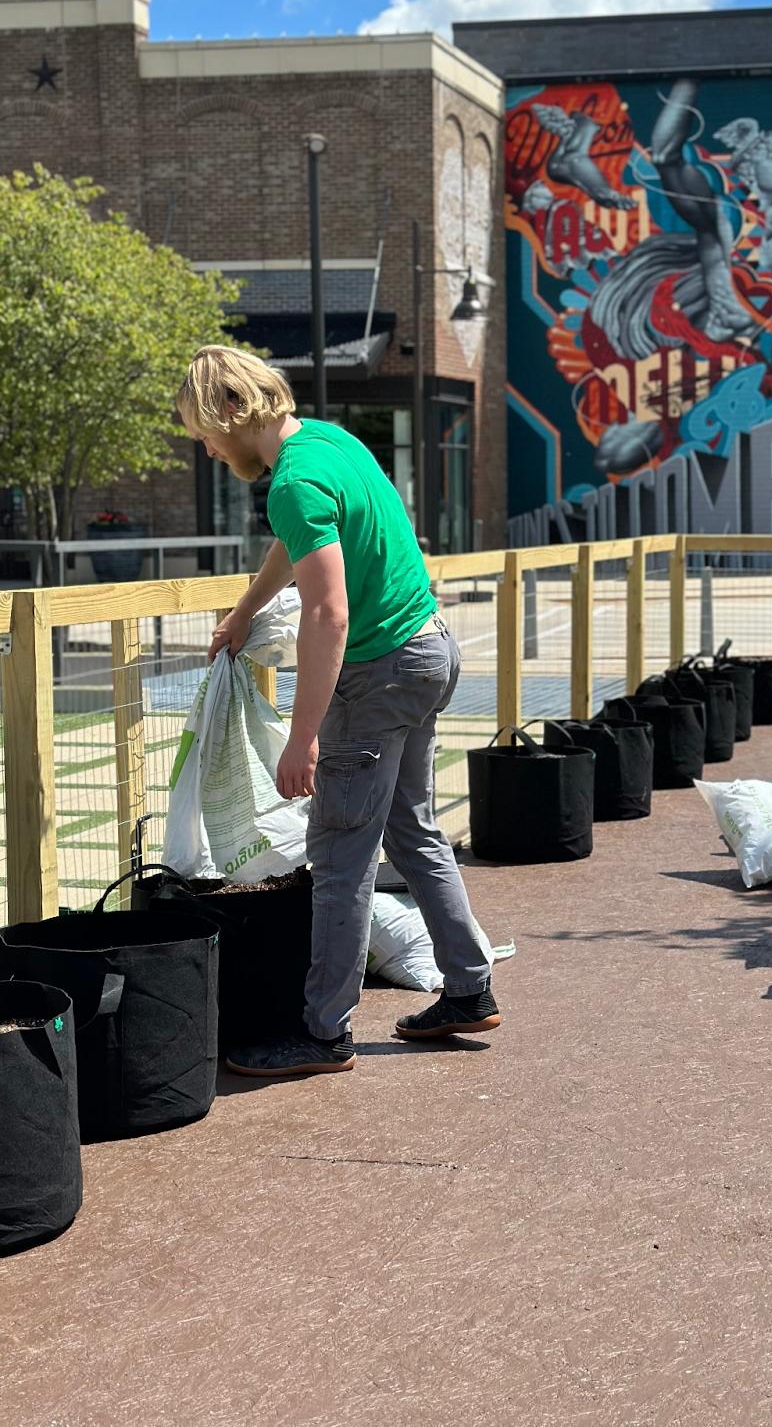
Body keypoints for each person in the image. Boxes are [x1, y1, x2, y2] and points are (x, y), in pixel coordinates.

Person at [176, 345, 499, 1076]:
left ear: (231, 408)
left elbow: (327, 613)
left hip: (381, 675)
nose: (205, 446)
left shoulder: (291, 480)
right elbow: (299, 548)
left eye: (202, 430)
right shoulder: (326, 440)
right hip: (430, 649)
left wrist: (304, 738)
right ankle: (470, 987)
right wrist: (244, 611)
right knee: (413, 828)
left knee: (340, 859)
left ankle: (323, 1033)